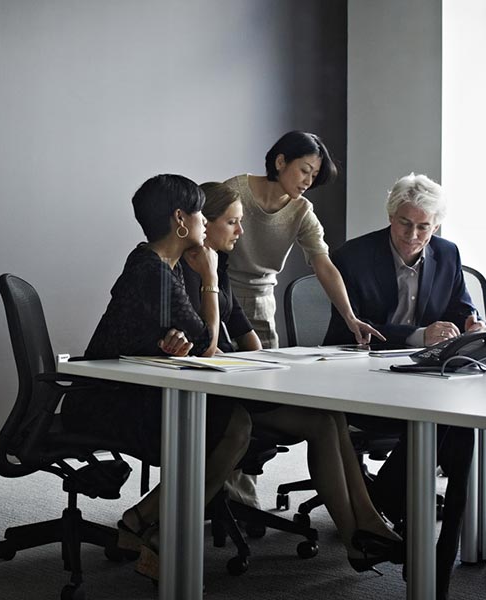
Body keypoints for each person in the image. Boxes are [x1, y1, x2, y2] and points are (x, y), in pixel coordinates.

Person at [323, 173, 486, 598]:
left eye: (425, 226)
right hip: (363, 381)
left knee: (457, 426)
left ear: (436, 225)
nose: (414, 235)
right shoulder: (354, 256)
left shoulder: (446, 252)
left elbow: (460, 305)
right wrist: (419, 336)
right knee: (457, 430)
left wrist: (473, 322)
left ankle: (422, 532)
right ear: (391, 216)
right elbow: (347, 333)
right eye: (405, 224)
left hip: (425, 378)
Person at [180, 181, 404, 572]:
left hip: (236, 381)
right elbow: (207, 345)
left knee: (330, 416)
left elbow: (236, 320)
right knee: (320, 422)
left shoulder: (220, 260)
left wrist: (268, 361)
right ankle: (357, 536)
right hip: (211, 395)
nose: (241, 231)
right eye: (232, 222)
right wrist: (210, 280)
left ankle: (365, 525)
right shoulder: (190, 269)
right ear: (205, 223)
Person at [60, 174, 252, 581]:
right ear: (181, 220)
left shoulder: (154, 264)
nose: (204, 222)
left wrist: (173, 340)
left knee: (231, 421)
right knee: (230, 424)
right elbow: (207, 344)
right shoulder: (152, 268)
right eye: (200, 213)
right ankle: (158, 529)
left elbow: (181, 338)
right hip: (106, 402)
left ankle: (151, 523)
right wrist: (211, 279)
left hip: (129, 392)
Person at [224, 130, 383, 349]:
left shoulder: (302, 211)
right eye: (304, 171)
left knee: (264, 376)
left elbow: (324, 265)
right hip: (221, 296)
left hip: (262, 304)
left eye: (314, 175)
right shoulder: (234, 192)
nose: (308, 181)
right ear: (281, 162)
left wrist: (350, 316)